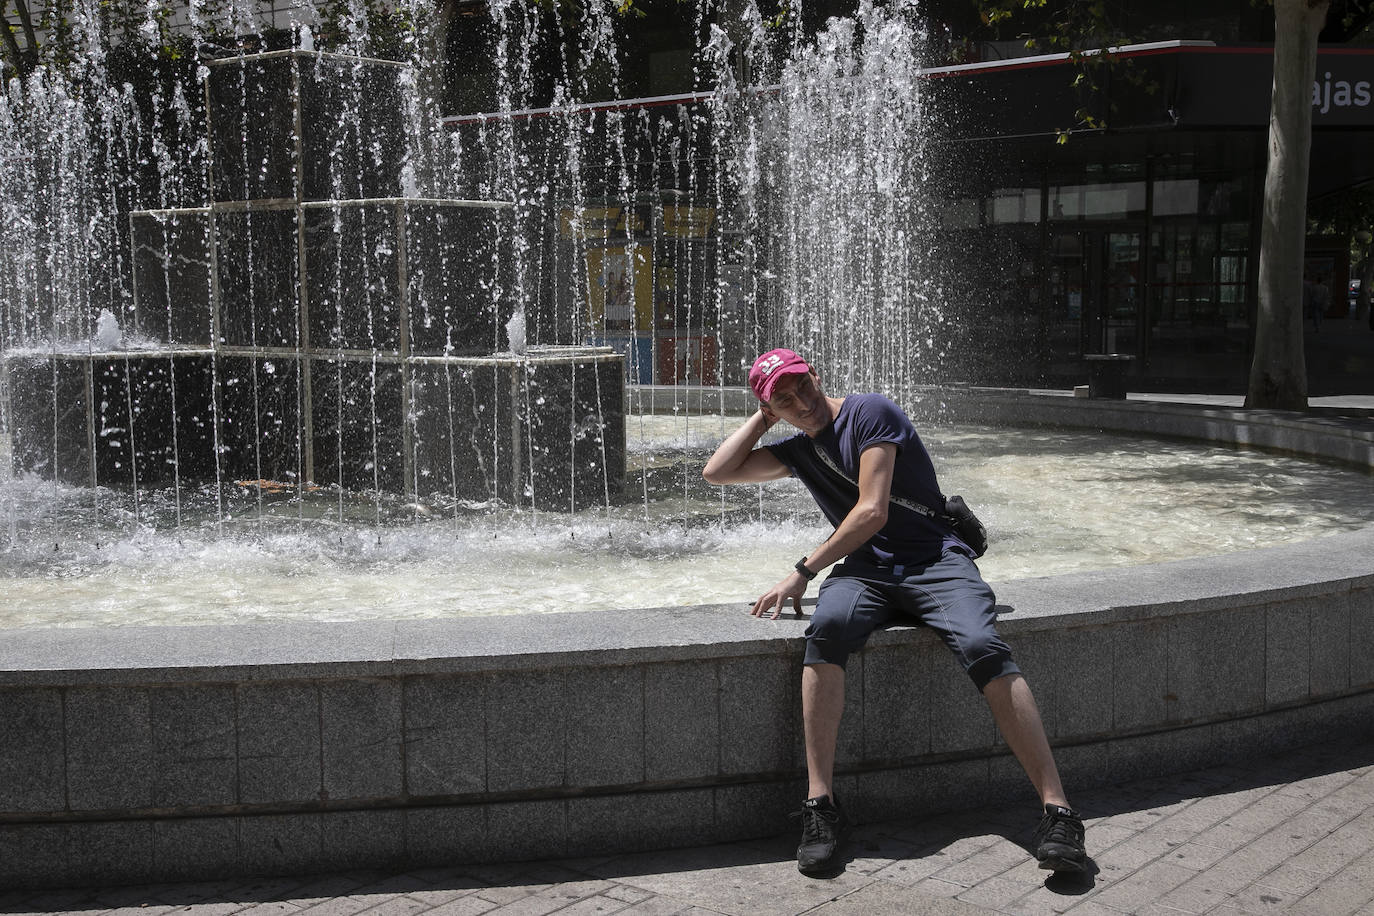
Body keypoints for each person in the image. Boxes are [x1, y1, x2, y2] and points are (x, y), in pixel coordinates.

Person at [702, 348, 1087, 878]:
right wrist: (763, 417)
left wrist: (803, 571)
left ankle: (1058, 812)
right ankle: (820, 806)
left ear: (816, 374)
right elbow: (717, 472)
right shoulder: (798, 450)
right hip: (865, 572)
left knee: (982, 645)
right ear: (774, 410)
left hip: (934, 561)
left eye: (803, 386)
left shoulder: (871, 412)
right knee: (826, 631)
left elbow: (872, 510)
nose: (802, 403)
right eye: (785, 401)